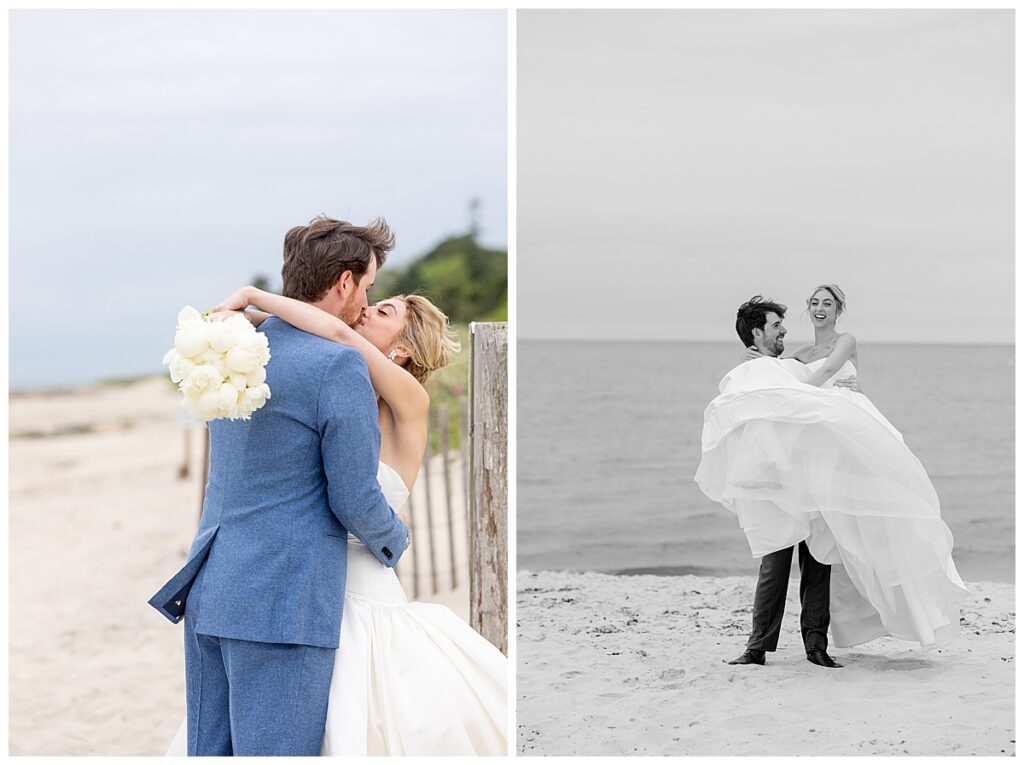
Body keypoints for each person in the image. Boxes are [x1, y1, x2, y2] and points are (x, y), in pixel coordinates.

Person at [164, 278, 508, 754]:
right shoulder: (333, 384)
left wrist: (257, 298)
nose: (366, 312)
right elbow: (322, 335)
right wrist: (252, 323)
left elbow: (341, 334)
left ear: (404, 350)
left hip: (361, 590)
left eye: (383, 312)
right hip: (300, 583)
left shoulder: (409, 401)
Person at [149, 216, 411, 756]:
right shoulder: (338, 366)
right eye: (367, 286)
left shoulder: (231, 351)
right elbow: (353, 497)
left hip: (209, 589)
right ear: (343, 282)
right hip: (282, 602)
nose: (366, 299)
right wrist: (394, 541)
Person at [696, 286, 967, 666]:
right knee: (775, 557)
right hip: (799, 466)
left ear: (839, 310)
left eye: (828, 303)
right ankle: (756, 647)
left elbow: (825, 374)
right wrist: (754, 363)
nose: (820, 308)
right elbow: (769, 382)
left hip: (833, 465)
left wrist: (804, 393)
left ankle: (815, 646)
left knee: (819, 555)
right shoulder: (795, 357)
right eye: (815, 303)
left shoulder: (843, 342)